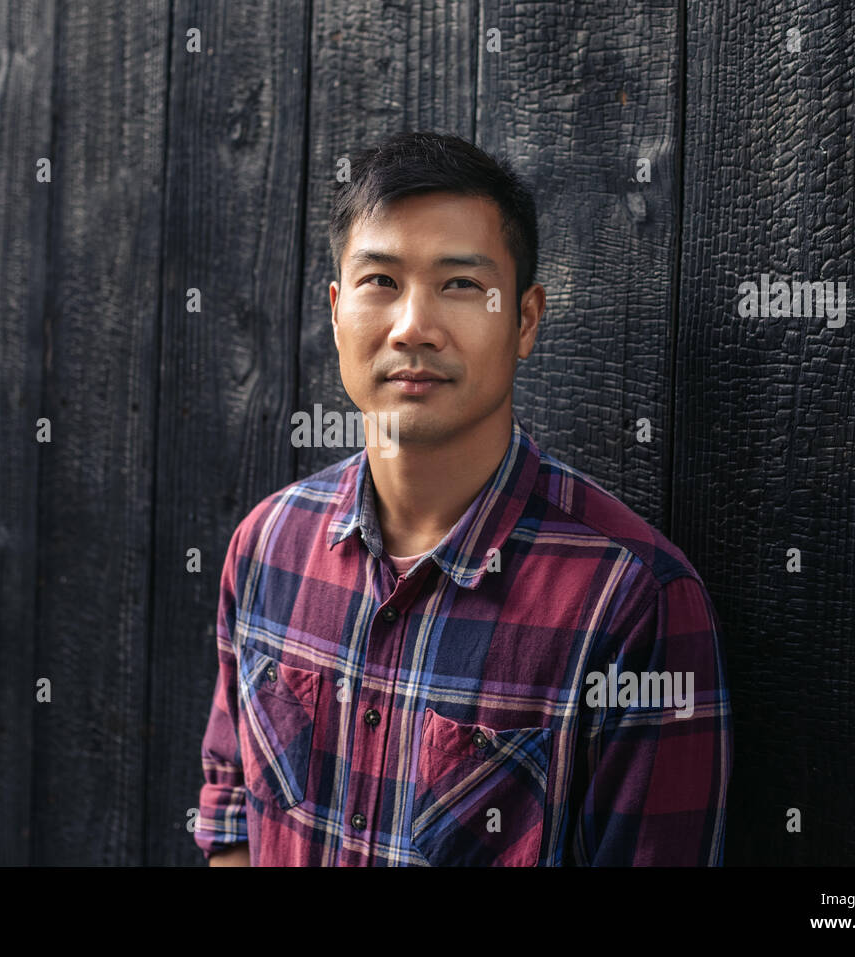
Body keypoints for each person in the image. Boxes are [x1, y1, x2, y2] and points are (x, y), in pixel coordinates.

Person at [196, 130, 732, 866]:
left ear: (525, 320)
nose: (413, 326)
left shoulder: (633, 600)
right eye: (379, 281)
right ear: (334, 309)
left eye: (459, 284)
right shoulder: (267, 546)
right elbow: (230, 812)